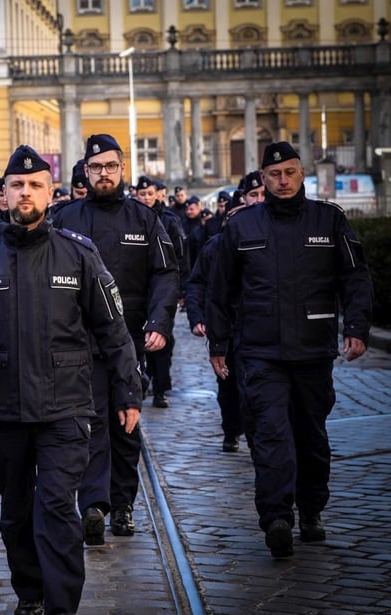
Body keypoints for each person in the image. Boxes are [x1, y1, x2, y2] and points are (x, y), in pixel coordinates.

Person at [0, 144, 141, 615]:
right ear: (2, 195)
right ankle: (29, 590)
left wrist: (127, 389)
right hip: (2, 408)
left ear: (51, 193)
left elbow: (112, 329)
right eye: (16, 186)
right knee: (18, 510)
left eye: (35, 185)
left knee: (56, 505)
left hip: (66, 407)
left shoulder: (79, 254)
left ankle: (61, 608)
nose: (25, 193)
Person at [207, 141, 373, 558]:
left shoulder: (329, 219)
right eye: (275, 175)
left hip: (314, 352)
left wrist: (356, 327)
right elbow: (220, 290)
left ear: (302, 174)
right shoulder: (242, 226)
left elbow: (354, 277)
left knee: (311, 437)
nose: (283, 181)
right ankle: (277, 517)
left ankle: (312, 509)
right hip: (261, 352)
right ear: (262, 178)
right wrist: (219, 343)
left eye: (291, 173)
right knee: (271, 434)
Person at [51, 134, 178, 543]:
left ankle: (122, 504)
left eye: (110, 166)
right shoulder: (65, 219)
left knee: (126, 424)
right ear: (84, 172)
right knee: (88, 425)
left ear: (121, 168)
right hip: (76, 344)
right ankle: (93, 505)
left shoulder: (145, 219)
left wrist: (159, 322)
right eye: (95, 167)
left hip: (128, 341)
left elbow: (164, 273)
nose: (103, 173)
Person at [185, 170, 264, 454]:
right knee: (229, 388)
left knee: (259, 395)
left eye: (262, 195)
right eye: (252, 195)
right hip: (227, 328)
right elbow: (198, 284)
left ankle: (262, 447)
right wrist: (198, 318)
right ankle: (232, 431)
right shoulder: (217, 244)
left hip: (261, 332)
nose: (258, 202)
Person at [134, 175, 187, 408]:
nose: (146, 198)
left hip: (161, 289)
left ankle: (161, 389)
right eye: (142, 194)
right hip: (137, 290)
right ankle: (141, 382)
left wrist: (179, 290)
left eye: (149, 194)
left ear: (158, 194)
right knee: (138, 341)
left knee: (162, 339)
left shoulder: (169, 220)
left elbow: (179, 258)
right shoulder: (131, 217)